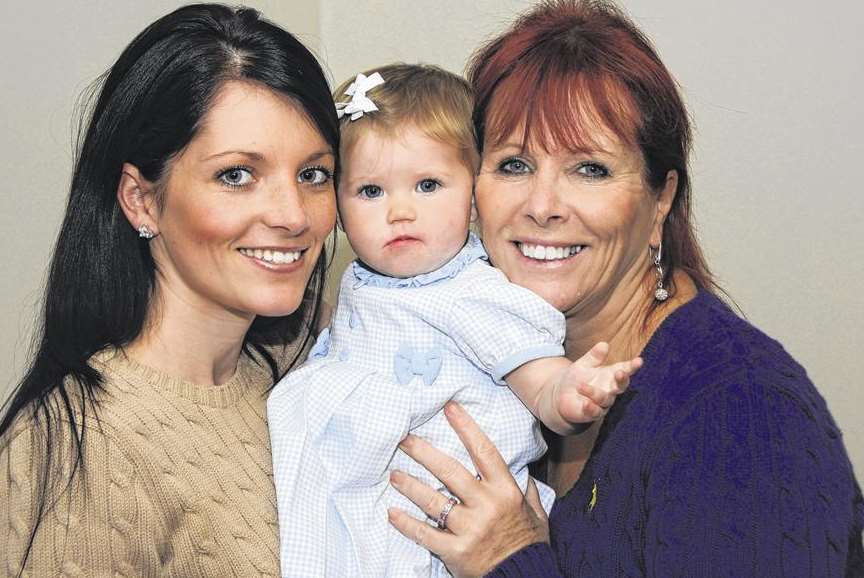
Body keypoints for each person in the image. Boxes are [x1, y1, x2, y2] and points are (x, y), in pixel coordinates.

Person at [386, 1, 864, 576]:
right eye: (513, 164)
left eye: (590, 168)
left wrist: (512, 560)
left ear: (660, 199)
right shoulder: (494, 368)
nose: (542, 207)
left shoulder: (739, 412)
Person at [0, 4, 339, 576]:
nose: (293, 214)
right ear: (141, 199)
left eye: (314, 174)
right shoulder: (77, 445)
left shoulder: (311, 367)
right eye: (237, 175)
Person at [267, 63, 641, 578]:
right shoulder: (360, 281)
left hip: (446, 508)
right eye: (371, 191)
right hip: (362, 489)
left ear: (472, 196)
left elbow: (539, 380)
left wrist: (571, 392)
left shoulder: (475, 291)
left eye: (427, 184)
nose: (399, 210)